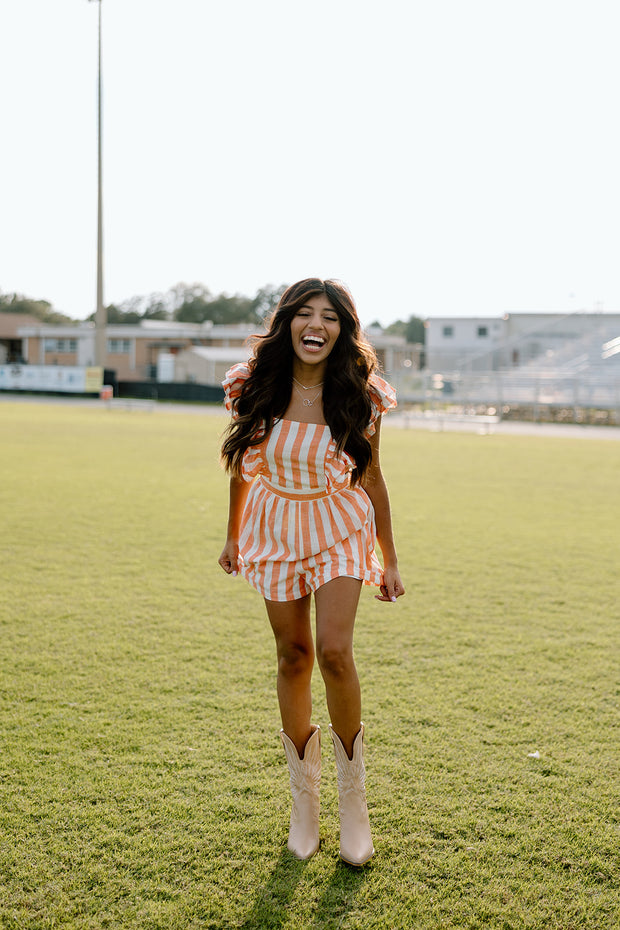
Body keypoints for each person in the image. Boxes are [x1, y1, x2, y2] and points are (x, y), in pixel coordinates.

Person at [218, 278, 405, 865]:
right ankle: (305, 806)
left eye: (329, 316)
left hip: (339, 526)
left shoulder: (360, 394)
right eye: (304, 314)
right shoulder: (253, 385)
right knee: (292, 656)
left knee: (334, 652)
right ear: (288, 324)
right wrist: (232, 535)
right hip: (275, 527)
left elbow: (372, 478)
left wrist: (389, 558)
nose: (315, 325)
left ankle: (355, 808)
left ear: (343, 329)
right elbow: (243, 467)